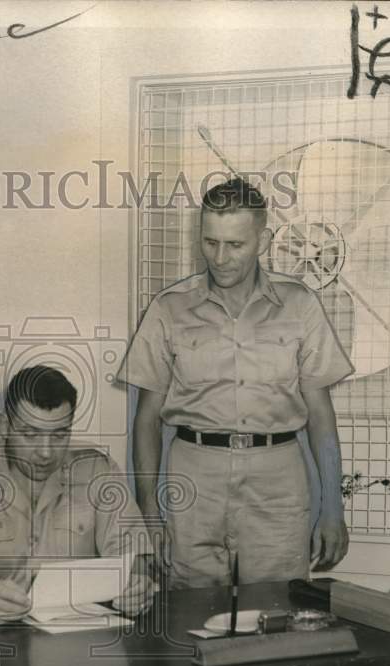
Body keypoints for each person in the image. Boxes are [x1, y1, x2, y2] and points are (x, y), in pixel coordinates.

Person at [119, 177, 354, 589]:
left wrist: (332, 509)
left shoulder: (300, 306)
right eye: (210, 243)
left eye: (235, 245)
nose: (220, 258)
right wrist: (148, 514)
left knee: (276, 613)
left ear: (262, 241)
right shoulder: (167, 309)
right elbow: (146, 421)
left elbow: (320, 417)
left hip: (278, 481)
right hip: (193, 479)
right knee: (189, 612)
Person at [0, 365, 157, 621]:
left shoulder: (97, 471)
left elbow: (133, 556)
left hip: (81, 634)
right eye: (30, 435)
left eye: (59, 435)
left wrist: (137, 584)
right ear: (5, 426)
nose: (46, 452)